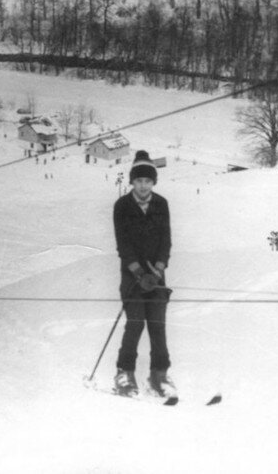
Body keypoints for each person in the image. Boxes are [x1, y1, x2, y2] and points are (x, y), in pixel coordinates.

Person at [112, 150, 175, 398]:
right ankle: (124, 373)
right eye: (138, 181)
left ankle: (159, 375)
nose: (143, 186)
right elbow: (123, 245)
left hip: (156, 277)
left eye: (148, 181)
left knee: (157, 326)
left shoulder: (162, 204)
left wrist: (158, 269)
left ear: (153, 182)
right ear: (132, 181)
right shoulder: (122, 206)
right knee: (135, 324)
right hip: (132, 278)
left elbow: (166, 240)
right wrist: (139, 273)